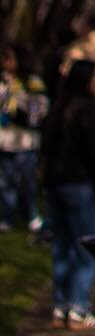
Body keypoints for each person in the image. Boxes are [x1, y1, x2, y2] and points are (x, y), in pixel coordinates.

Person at [41, 58, 95, 331]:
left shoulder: (59, 109)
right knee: (84, 248)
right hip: (82, 185)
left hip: (57, 185)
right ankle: (78, 307)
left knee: (62, 246)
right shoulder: (88, 112)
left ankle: (61, 305)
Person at [0, 44, 47, 233]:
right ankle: (6, 217)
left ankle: (30, 215)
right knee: (5, 183)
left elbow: (39, 111)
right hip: (4, 141)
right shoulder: (3, 82)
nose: (5, 63)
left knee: (27, 182)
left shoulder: (33, 83)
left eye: (9, 58)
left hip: (25, 142)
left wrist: (20, 113)